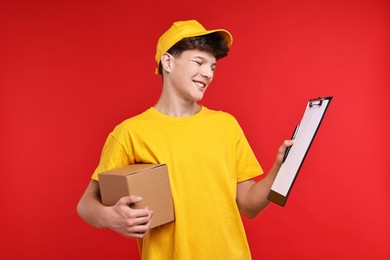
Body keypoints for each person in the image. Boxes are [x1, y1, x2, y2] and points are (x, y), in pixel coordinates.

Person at [77, 19, 293, 259]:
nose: (208, 73)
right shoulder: (131, 132)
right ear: (168, 62)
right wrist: (112, 217)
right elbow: (86, 204)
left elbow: (249, 205)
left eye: (213, 66)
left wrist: (279, 169)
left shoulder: (226, 125)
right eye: (198, 62)